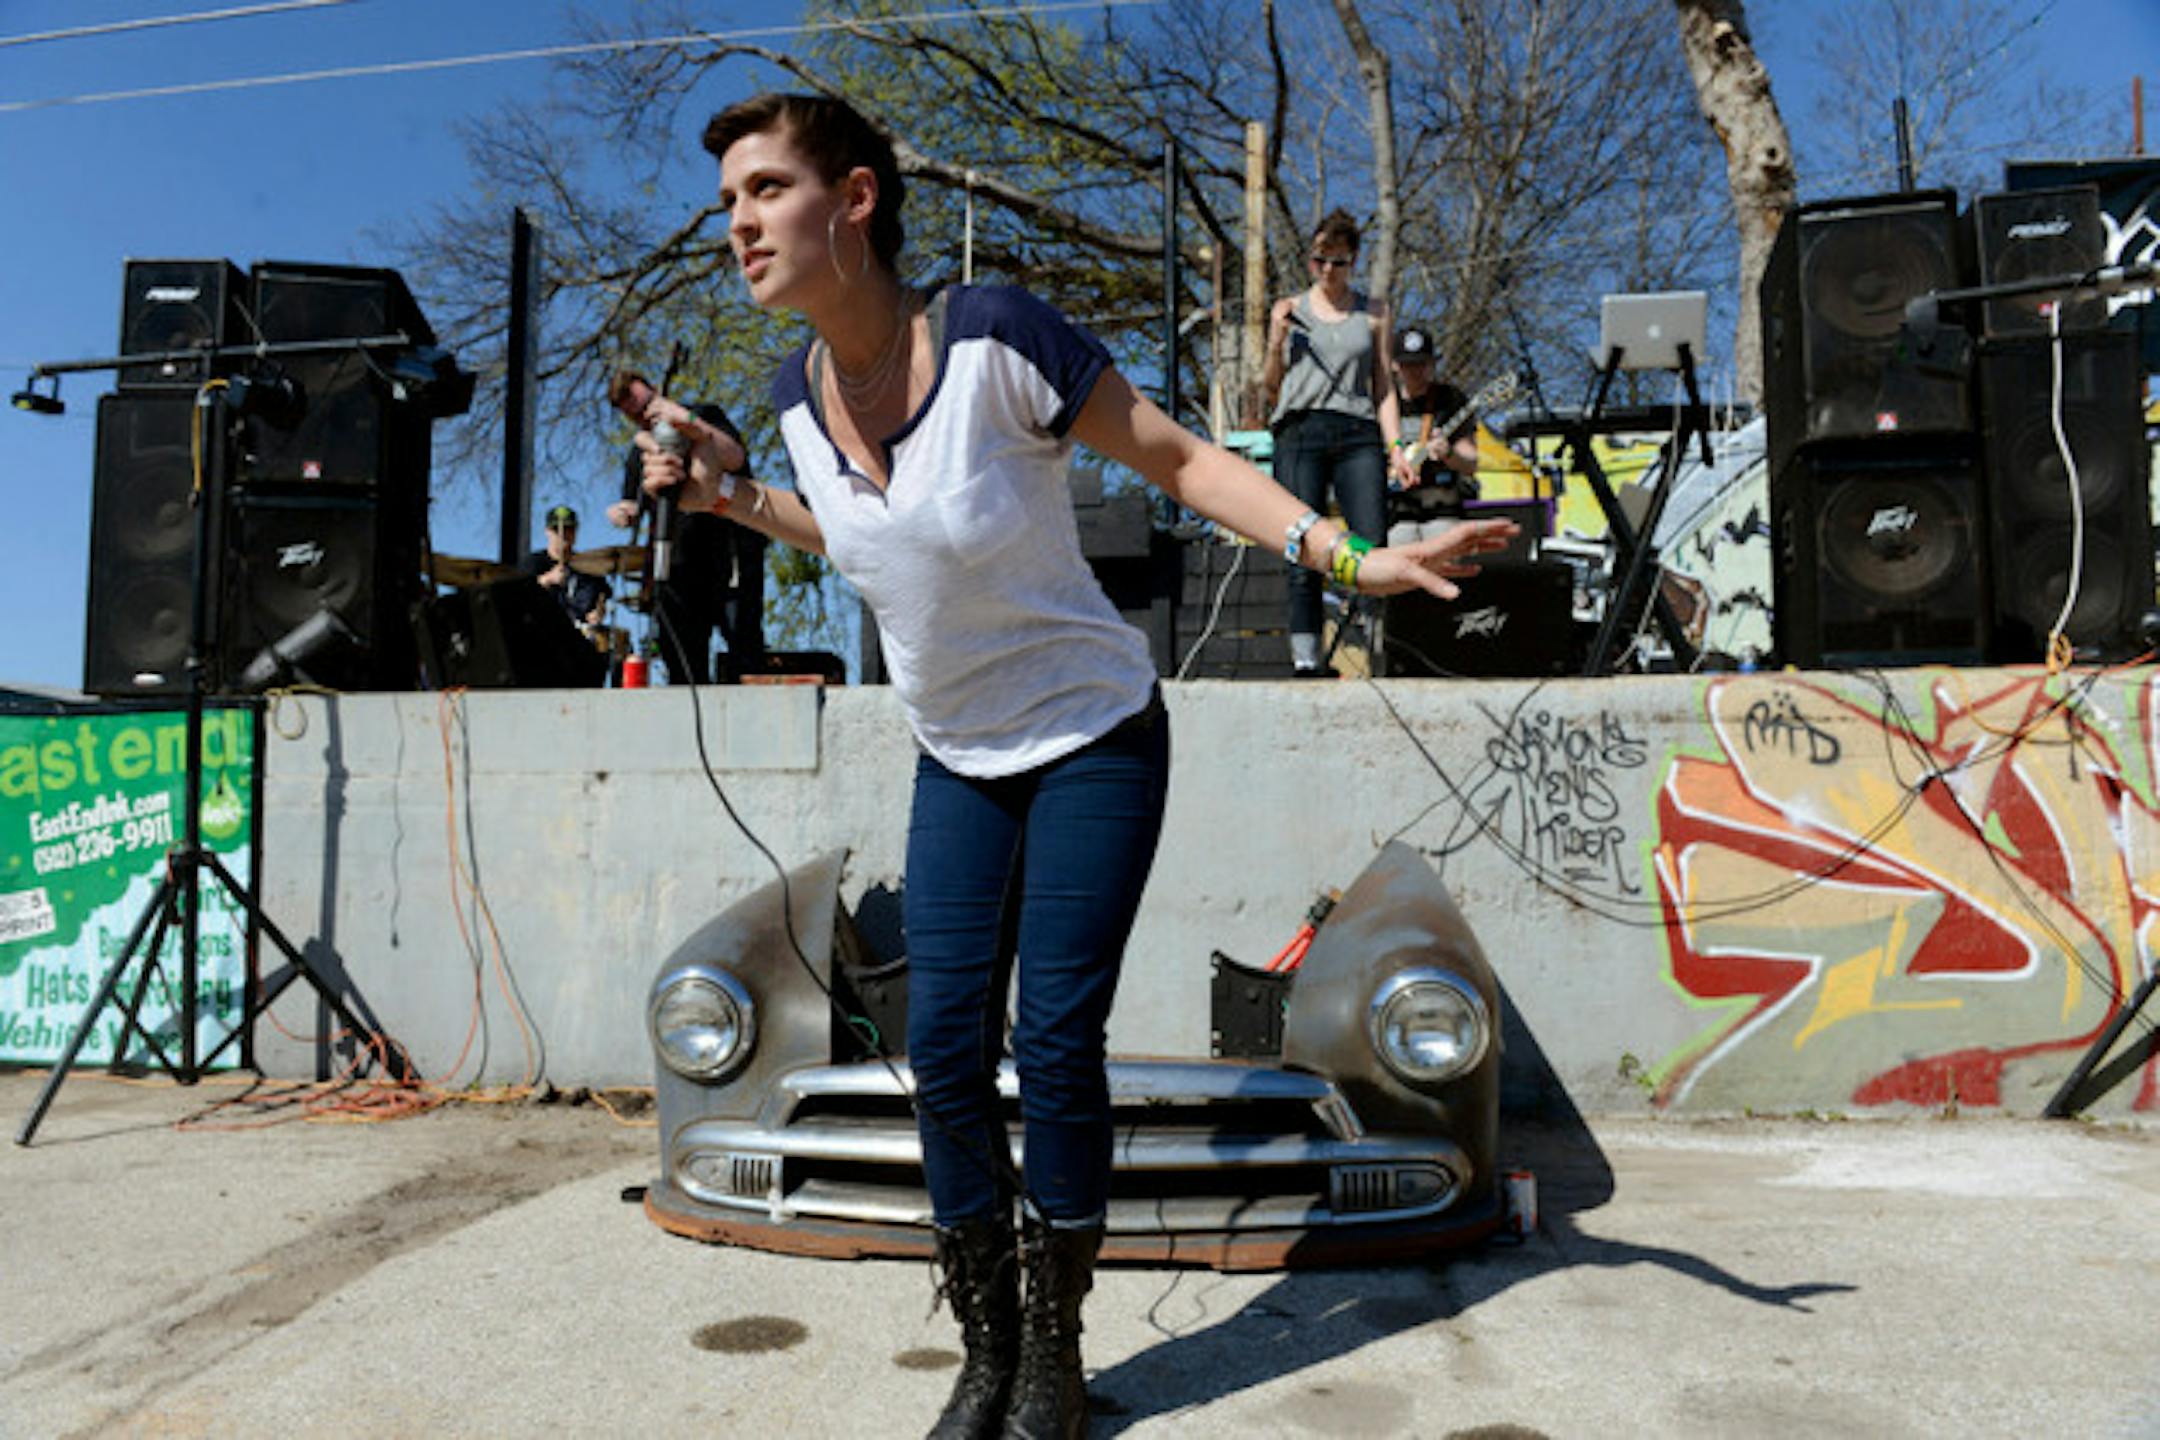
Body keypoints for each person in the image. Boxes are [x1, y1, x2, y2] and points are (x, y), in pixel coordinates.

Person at [634, 92, 1515, 1440]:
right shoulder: (791, 398)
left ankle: (1051, 1353)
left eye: (765, 191)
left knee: (1052, 1040)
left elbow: (1179, 458)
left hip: (1094, 737)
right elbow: (861, 535)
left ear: (855, 200)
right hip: (957, 756)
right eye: (728, 205)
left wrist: (1352, 557)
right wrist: (732, 498)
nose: (738, 226)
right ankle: (984, 1352)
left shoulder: (994, 337)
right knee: (942, 1049)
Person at [1263, 208, 1402, 677]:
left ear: (1353, 262)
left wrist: (1396, 447)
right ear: (1310, 259)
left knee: (1371, 541)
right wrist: (1275, 340)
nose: (1327, 271)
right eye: (1319, 260)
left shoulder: (1374, 312)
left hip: (1357, 431)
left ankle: (1373, 648)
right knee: (1302, 543)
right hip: (1300, 430)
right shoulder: (1290, 309)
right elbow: (1270, 387)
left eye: (1338, 262)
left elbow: (1383, 386)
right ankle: (1306, 658)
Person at [604, 371, 768, 684]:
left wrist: (689, 422)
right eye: (635, 416)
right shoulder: (640, 451)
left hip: (729, 554)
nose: (646, 417)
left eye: (647, 405)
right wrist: (622, 513)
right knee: (681, 657)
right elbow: (633, 502)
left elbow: (734, 457)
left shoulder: (705, 416)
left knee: (744, 646)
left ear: (657, 392)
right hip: (677, 565)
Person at [1386, 324, 1483, 547]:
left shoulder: (1451, 399)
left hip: (1442, 507)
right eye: (1407, 365)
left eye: (1421, 364)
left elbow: (1471, 463)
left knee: (1441, 541)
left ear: (1432, 364)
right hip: (1396, 509)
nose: (1415, 371)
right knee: (1398, 544)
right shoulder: (1384, 404)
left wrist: (1449, 454)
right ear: (1394, 365)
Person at [526, 504, 610, 630]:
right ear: (547, 532)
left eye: (569, 529)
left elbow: (601, 598)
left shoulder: (588, 566)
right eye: (557, 530)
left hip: (578, 633)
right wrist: (546, 580)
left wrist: (597, 612)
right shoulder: (533, 563)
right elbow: (518, 597)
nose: (563, 535)